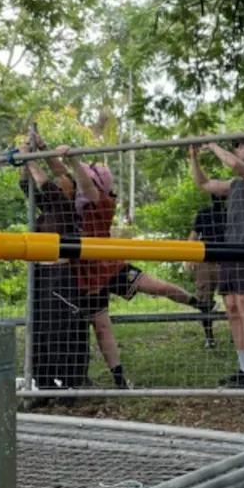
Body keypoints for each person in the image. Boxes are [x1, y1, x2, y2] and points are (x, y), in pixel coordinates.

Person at [57, 146, 213, 389]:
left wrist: (73, 158)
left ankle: (198, 303)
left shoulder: (103, 202)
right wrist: (47, 153)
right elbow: (64, 176)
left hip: (109, 264)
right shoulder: (71, 205)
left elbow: (84, 183)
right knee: (101, 326)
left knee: (154, 286)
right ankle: (119, 379)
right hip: (86, 275)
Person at [189, 138, 244, 388]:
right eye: (235, 147)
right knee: (232, 309)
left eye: (241, 146)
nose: (237, 150)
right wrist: (194, 157)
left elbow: (235, 165)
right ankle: (243, 369)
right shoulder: (234, 184)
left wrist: (213, 145)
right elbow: (204, 184)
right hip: (230, 253)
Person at [19, 130, 90, 398]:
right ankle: (44, 381)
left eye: (65, 180)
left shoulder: (65, 206)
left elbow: (42, 179)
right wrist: (30, 149)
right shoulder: (46, 209)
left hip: (60, 276)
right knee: (41, 327)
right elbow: (28, 183)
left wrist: (29, 157)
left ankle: (67, 381)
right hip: (41, 275)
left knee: (60, 328)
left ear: (71, 190)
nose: (61, 182)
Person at [186, 194, 226, 348]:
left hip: (226, 261)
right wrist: (188, 258)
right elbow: (193, 237)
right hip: (205, 261)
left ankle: (236, 335)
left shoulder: (230, 214)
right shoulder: (204, 213)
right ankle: (209, 338)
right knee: (204, 300)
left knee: (233, 299)